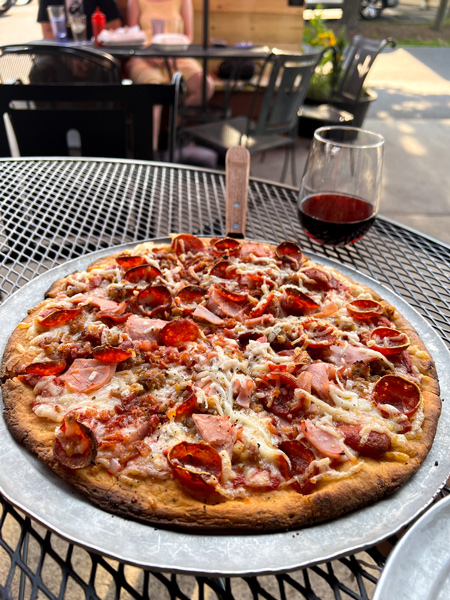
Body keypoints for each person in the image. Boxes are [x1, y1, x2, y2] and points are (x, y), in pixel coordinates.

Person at [126, 0, 215, 149]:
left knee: (205, 85)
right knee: (153, 93)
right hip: (145, 58)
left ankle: (172, 130)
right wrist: (148, 54)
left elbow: (188, 35)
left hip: (177, 56)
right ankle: (150, 154)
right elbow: (132, 36)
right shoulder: (135, 1)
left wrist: (173, 52)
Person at [37, 0, 122, 41]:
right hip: (60, 51)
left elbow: (114, 28)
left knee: (106, 66)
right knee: (39, 69)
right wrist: (69, 56)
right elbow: (47, 32)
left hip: (96, 51)